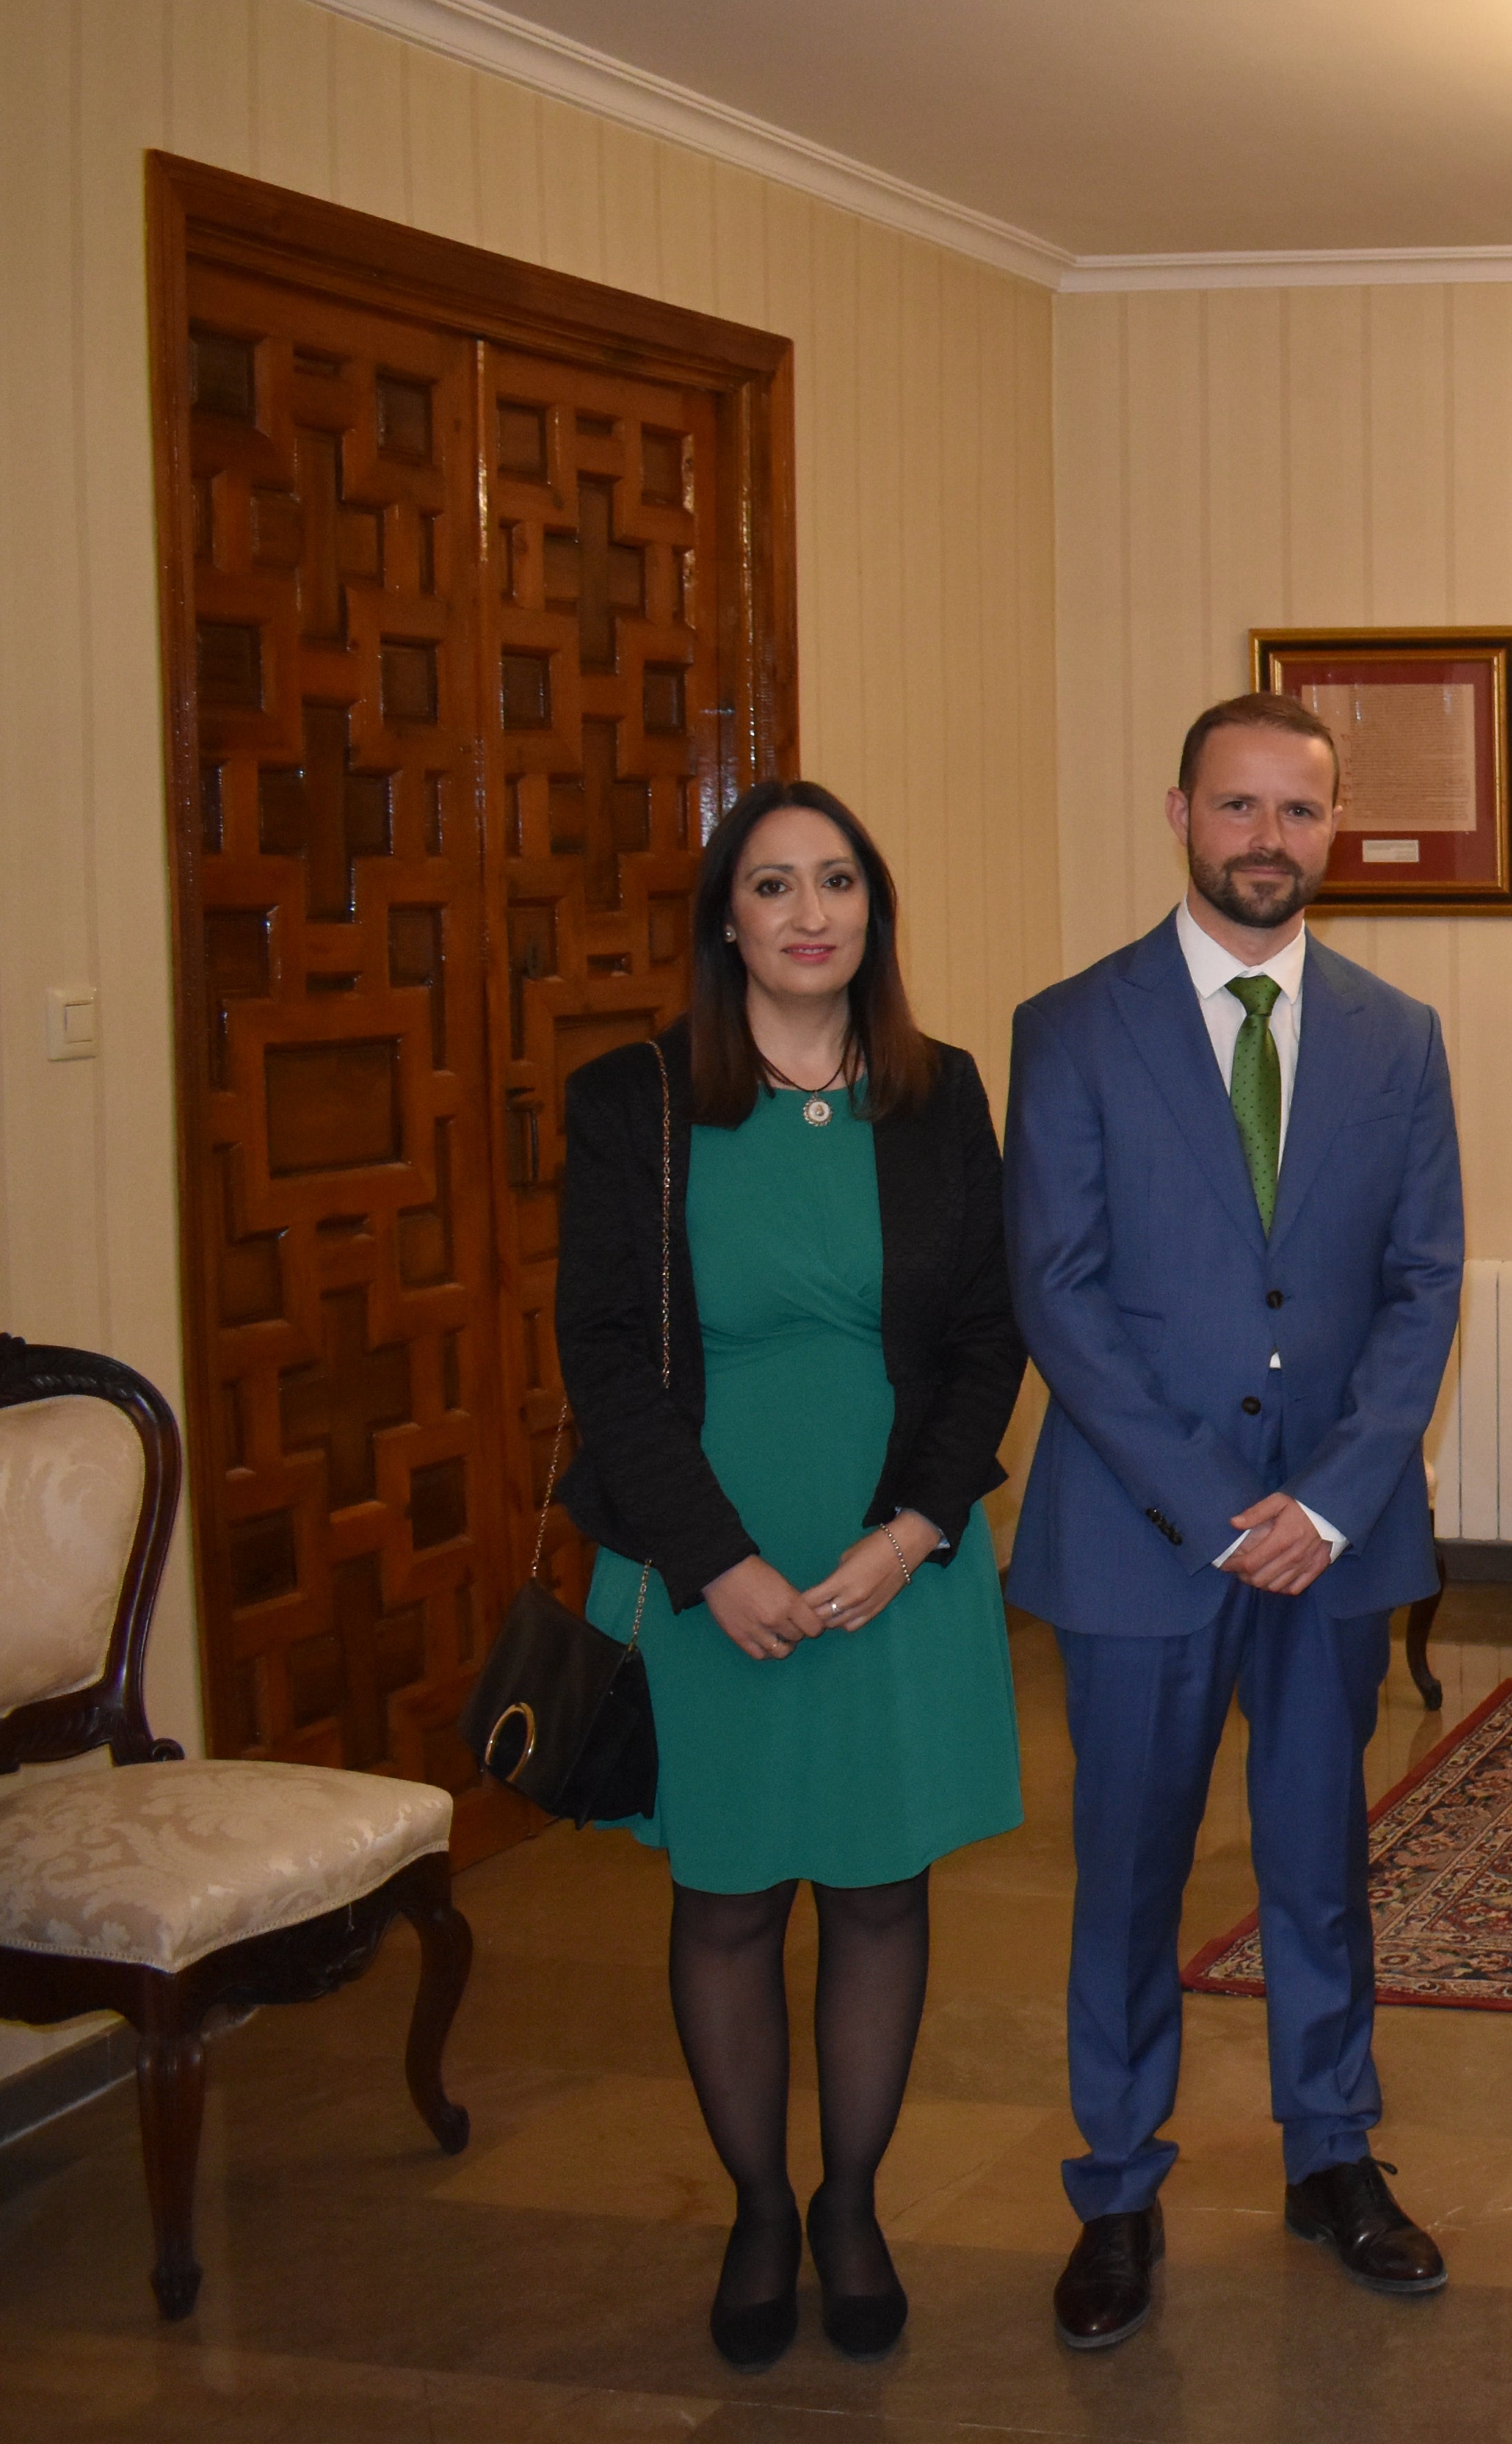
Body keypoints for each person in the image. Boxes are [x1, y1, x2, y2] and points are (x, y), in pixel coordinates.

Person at [1004, 693, 1467, 2349]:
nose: (1268, 838)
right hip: (1147, 1535)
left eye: (1300, 811)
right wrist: (1216, 1507)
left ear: (1335, 830)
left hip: (1331, 1544)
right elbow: (1057, 1297)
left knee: (1318, 1864)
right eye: (1239, 806)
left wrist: (1332, 1501)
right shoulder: (1070, 1028)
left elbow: (1422, 1291)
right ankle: (1116, 2188)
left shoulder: (1398, 1035)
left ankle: (1330, 2152)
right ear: (1181, 813)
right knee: (1127, 1873)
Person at [554, 781, 1029, 2370]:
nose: (811, 910)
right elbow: (605, 1357)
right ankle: (761, 2205)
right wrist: (718, 1563)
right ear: (726, 920)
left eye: (838, 881)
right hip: (712, 1558)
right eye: (774, 885)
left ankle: (853, 2203)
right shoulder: (634, 1102)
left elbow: (984, 1338)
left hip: (896, 1552)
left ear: (872, 912)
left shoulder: (940, 1092)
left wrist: (911, 1532)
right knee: (733, 1891)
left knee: (883, 1886)